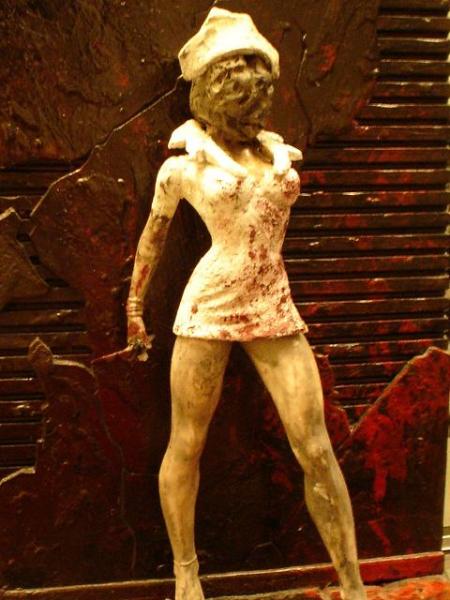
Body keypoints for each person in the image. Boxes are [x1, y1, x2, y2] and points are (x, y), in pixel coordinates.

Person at [126, 8, 366, 600]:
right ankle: (186, 573)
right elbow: (152, 238)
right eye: (242, 97)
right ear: (212, 96)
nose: (257, 107)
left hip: (273, 302)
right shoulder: (182, 168)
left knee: (316, 448)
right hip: (208, 306)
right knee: (187, 442)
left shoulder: (277, 155)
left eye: (262, 95)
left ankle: (353, 582)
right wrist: (134, 306)